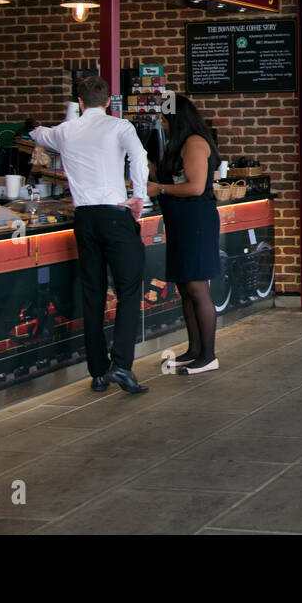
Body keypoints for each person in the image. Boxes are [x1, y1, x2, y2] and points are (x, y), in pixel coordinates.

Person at [30, 76, 150, 395]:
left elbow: (37, 134)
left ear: (80, 102)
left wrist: (30, 126)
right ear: (108, 102)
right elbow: (139, 158)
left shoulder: (65, 131)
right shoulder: (120, 127)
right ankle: (121, 365)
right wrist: (139, 195)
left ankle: (97, 372)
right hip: (115, 215)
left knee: (92, 293)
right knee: (128, 288)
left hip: (84, 219)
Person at [146, 95, 221, 374]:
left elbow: (196, 187)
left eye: (165, 119)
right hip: (181, 223)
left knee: (197, 286)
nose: (163, 125)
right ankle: (194, 350)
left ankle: (208, 355)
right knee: (184, 288)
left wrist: (159, 189)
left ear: (177, 120)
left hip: (196, 222)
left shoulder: (195, 144)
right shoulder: (177, 147)